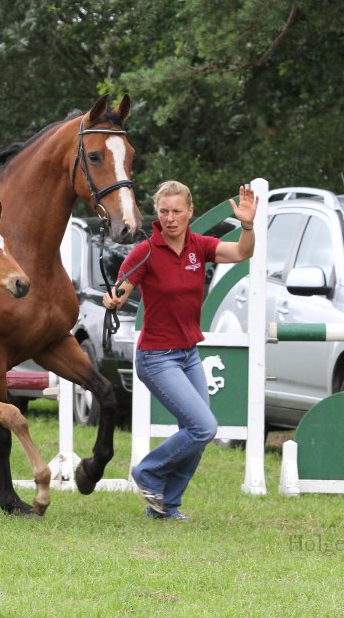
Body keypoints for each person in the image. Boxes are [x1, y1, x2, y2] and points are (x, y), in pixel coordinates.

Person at [103, 180, 258, 520]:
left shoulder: (198, 246)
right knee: (204, 427)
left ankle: (165, 507)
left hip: (188, 354)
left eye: (176, 211)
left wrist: (247, 225)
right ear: (157, 214)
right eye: (163, 212)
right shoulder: (145, 251)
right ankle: (147, 472)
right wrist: (113, 299)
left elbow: (243, 252)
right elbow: (121, 288)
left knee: (196, 433)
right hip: (157, 357)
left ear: (190, 212)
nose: (170, 218)